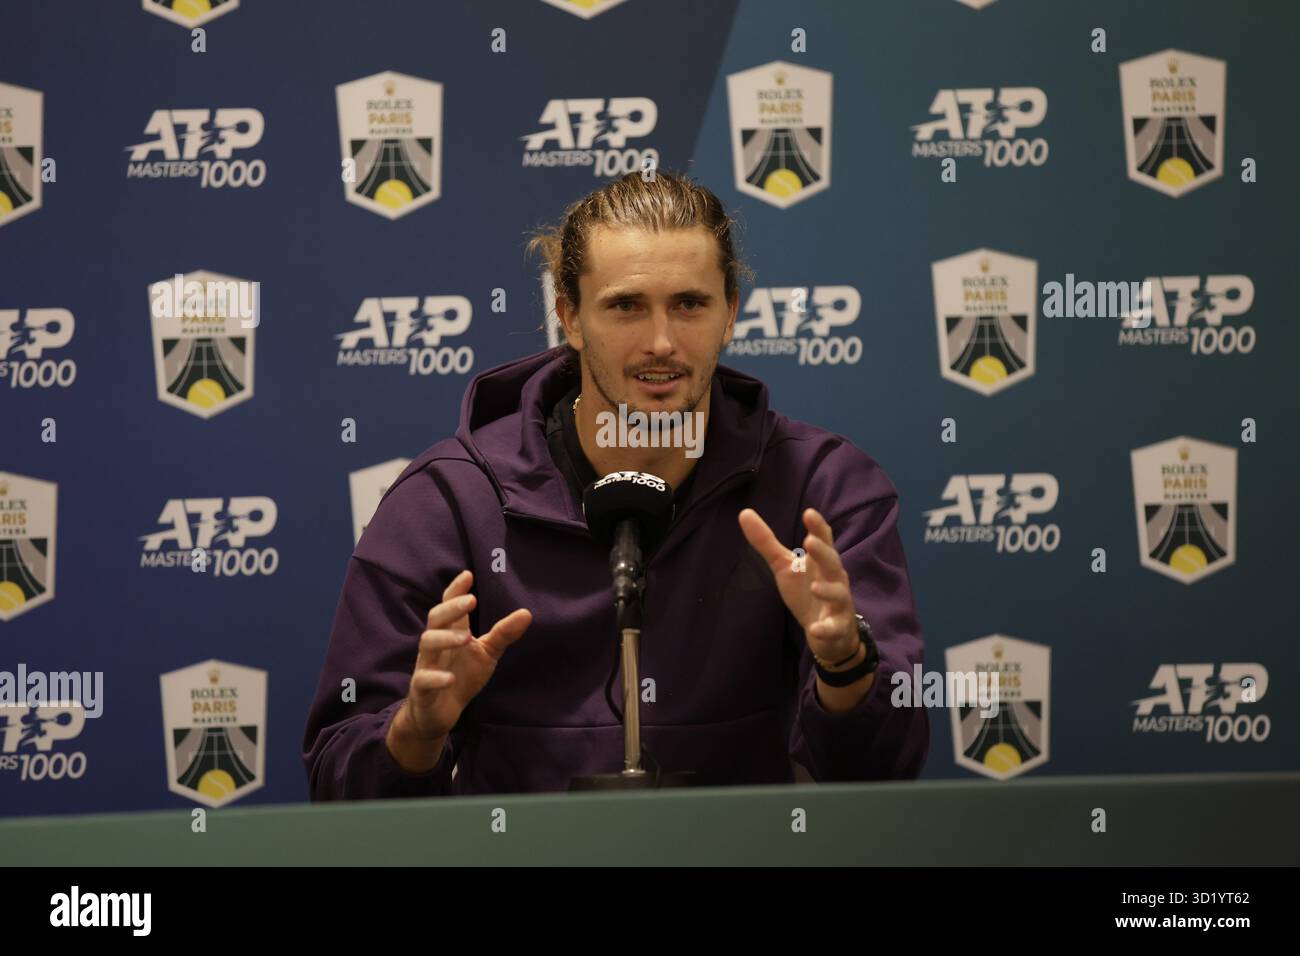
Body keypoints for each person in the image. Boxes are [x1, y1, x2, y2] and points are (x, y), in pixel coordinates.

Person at [302, 171, 928, 798]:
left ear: (731, 313)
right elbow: (336, 778)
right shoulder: (448, 502)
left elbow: (882, 772)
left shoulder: (824, 487)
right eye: (626, 306)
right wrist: (417, 730)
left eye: (690, 304)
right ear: (569, 317)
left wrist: (846, 664)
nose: (661, 342)